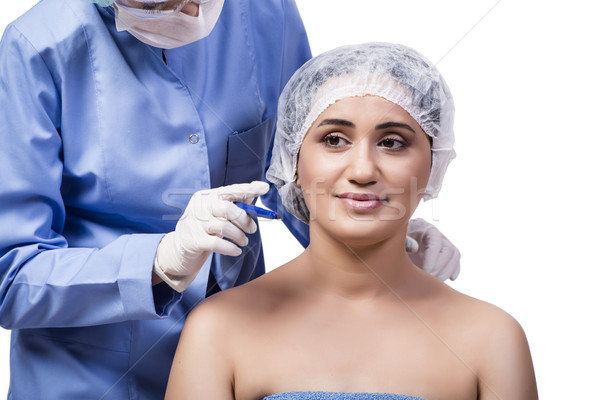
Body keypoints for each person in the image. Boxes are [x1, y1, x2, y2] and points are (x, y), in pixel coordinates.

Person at [0, 1, 459, 398]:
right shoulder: (37, 48)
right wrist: (157, 264)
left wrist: (378, 240)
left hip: (254, 354)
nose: (190, 13)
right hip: (89, 377)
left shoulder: (266, 10)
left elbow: (302, 159)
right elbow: (10, 276)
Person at [165, 42, 538, 400]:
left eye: (392, 142)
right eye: (334, 139)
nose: (362, 170)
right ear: (293, 160)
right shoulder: (217, 330)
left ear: (434, 163)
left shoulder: (492, 339)